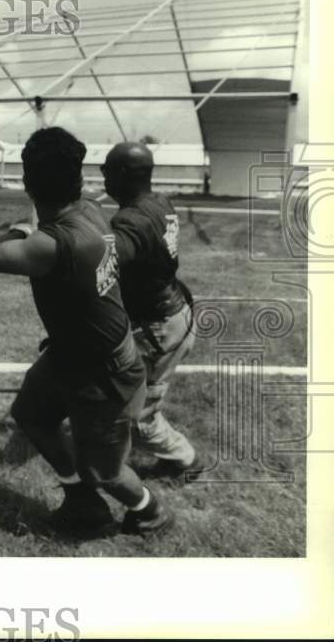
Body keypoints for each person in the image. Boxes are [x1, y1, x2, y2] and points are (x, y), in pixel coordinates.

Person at [0, 127, 173, 536]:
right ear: (79, 180)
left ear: (27, 182)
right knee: (31, 414)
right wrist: (31, 221)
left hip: (103, 371)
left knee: (104, 470)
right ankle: (81, 499)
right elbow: (44, 218)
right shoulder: (88, 211)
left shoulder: (48, 245)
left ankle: (149, 509)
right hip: (73, 353)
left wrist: (17, 228)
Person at [102, 141, 201, 479]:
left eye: (106, 170)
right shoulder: (159, 202)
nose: (102, 176)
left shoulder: (130, 221)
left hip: (159, 327)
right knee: (118, 388)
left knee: (137, 414)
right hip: (173, 314)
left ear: (123, 174)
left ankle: (184, 460)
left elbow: (103, 269)